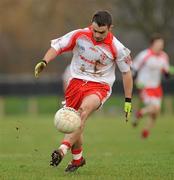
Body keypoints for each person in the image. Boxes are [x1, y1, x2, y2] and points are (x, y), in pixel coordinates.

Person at [34, 11, 133, 172]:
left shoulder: (117, 48)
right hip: (75, 83)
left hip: (99, 86)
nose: (97, 35)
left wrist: (128, 100)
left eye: (102, 32)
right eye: (95, 30)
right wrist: (44, 61)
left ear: (110, 28)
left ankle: (62, 150)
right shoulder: (79, 35)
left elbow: (126, 73)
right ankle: (78, 160)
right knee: (74, 121)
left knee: (83, 112)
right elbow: (57, 46)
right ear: (91, 25)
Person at [132, 34, 173, 138]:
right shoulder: (144, 55)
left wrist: (169, 73)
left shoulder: (164, 56)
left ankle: (145, 130)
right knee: (154, 108)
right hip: (145, 86)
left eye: (162, 44)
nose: (160, 46)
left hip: (156, 87)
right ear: (152, 44)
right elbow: (134, 68)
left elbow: (166, 72)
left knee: (156, 112)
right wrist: (135, 80)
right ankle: (140, 113)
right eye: (158, 44)